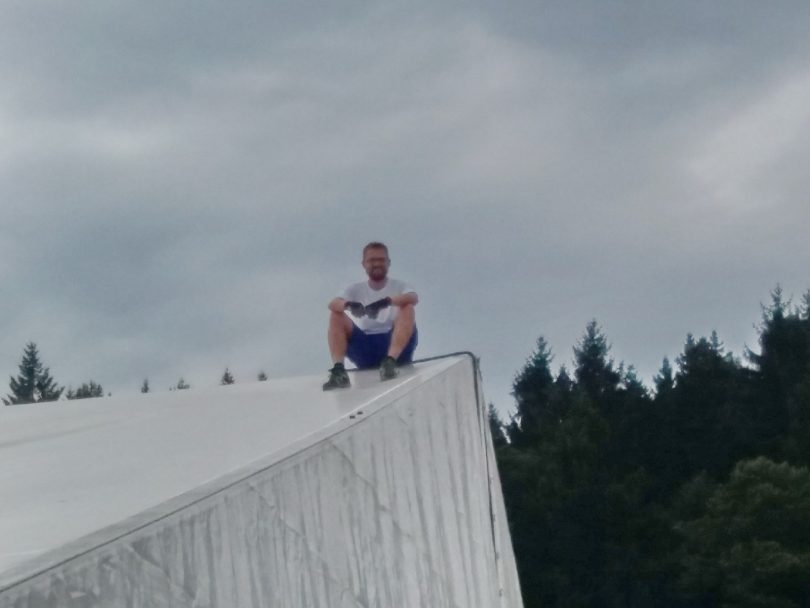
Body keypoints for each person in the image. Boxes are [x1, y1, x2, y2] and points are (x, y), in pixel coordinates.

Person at [323, 242, 418, 390]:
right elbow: (333, 303)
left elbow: (413, 297)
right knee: (336, 315)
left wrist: (386, 302)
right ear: (364, 264)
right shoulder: (355, 288)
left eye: (381, 260)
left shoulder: (399, 286)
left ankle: (390, 363)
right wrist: (349, 305)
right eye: (372, 260)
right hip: (366, 348)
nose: (377, 264)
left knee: (408, 308)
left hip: (395, 346)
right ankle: (339, 371)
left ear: (388, 262)